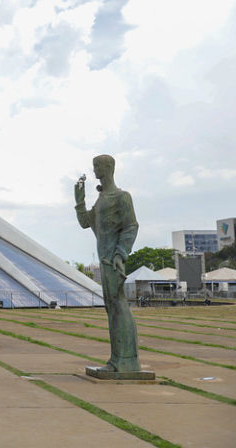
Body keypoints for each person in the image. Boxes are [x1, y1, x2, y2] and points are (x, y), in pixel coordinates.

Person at [75, 154, 141, 373]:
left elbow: (131, 226)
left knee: (119, 306)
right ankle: (117, 359)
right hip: (104, 260)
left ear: (108, 167)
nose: (94, 170)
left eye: (97, 166)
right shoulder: (102, 199)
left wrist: (121, 254)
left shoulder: (121, 197)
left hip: (112, 260)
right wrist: (79, 201)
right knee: (111, 307)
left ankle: (126, 360)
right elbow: (86, 223)